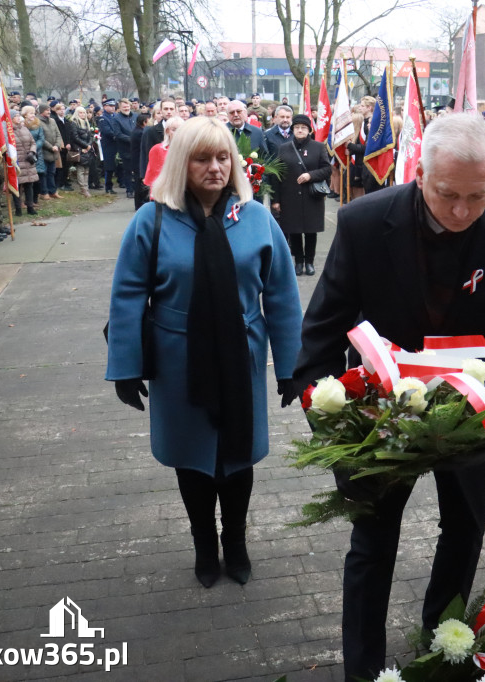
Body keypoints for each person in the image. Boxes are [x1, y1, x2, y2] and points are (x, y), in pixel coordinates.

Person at [292, 114, 485, 681]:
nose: (460, 213)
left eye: (477, 197)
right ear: (420, 172)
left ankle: (443, 649)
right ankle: (363, 668)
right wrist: (334, 428)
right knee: (372, 544)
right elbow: (322, 331)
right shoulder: (362, 223)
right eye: (446, 194)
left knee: (465, 531)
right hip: (382, 418)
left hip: (469, 416)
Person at [106, 116, 302, 588]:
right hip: (178, 360)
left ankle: (235, 541)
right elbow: (128, 294)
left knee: (236, 458)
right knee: (192, 458)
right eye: (201, 158)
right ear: (180, 163)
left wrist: (293, 368)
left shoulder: (256, 218)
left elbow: (281, 295)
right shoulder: (151, 220)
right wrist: (127, 367)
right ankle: (202, 544)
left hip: (242, 355)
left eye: (222, 157)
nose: (215, 168)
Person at [271, 114, 331, 276]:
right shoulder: (284, 148)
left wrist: (310, 175)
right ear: (292, 130)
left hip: (312, 196)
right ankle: (298, 262)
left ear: (309, 131)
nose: (300, 130)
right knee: (294, 230)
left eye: (303, 128)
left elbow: (327, 169)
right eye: (296, 128)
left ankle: (309, 262)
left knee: (311, 230)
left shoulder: (318, 147)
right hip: (289, 196)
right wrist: (275, 200)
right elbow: (277, 174)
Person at [142, 116, 184, 191]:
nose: (178, 133)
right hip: (163, 193)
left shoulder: (189, 150)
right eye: (174, 130)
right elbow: (152, 178)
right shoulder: (157, 149)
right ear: (167, 131)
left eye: (181, 130)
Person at [12, 111, 40, 214]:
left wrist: (32, 151)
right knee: (17, 186)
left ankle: (30, 207)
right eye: (15, 116)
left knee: (29, 184)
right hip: (17, 161)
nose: (18, 118)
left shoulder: (24, 129)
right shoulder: (8, 131)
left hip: (28, 160)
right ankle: (18, 209)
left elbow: (33, 142)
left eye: (18, 116)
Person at [22, 106, 46, 212]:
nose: (33, 115)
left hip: (37, 153)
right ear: (25, 114)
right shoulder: (22, 125)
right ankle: (24, 201)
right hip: (24, 154)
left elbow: (41, 138)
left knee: (38, 176)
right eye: (30, 113)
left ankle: (34, 200)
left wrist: (34, 147)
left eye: (33, 113)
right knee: (26, 178)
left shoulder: (38, 124)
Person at [38, 104, 64, 199]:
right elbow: (41, 137)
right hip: (44, 151)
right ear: (41, 111)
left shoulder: (52, 121)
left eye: (49, 110)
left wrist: (57, 145)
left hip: (54, 151)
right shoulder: (38, 122)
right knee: (43, 173)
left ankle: (52, 191)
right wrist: (51, 147)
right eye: (46, 110)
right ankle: (44, 192)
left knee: (52, 172)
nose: (49, 112)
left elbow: (58, 134)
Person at [70, 107, 95, 197]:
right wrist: (84, 146)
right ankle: (83, 188)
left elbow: (91, 136)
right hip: (79, 149)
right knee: (80, 169)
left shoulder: (86, 123)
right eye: (80, 113)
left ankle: (86, 187)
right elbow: (75, 137)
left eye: (84, 113)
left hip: (87, 148)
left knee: (86, 170)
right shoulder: (74, 123)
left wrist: (88, 145)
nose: (83, 114)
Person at [130, 113, 151, 210]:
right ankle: (139, 204)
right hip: (138, 160)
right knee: (139, 183)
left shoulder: (137, 131)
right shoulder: (140, 133)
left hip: (136, 160)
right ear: (144, 122)